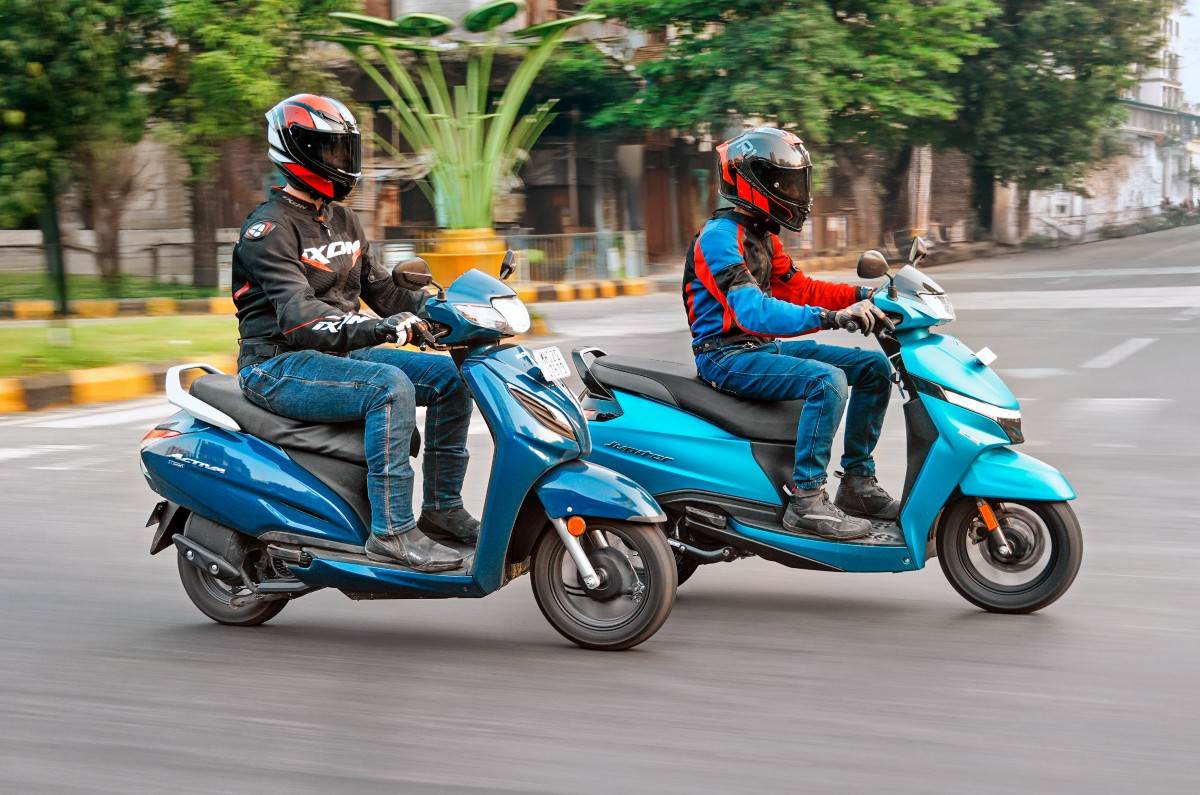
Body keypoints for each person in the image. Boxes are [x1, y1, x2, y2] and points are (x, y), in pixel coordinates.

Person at [231, 94, 476, 571]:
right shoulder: (268, 230)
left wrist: (447, 311)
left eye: (344, 150)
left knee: (454, 381)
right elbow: (302, 319)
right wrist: (383, 328)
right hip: (278, 364)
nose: (340, 162)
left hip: (338, 356)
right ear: (295, 150)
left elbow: (384, 292)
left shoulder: (343, 219)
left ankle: (443, 508)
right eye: (329, 150)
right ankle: (393, 532)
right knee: (390, 387)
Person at [683, 127, 898, 541]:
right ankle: (808, 499)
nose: (794, 191)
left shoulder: (762, 237)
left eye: (796, 182)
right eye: (783, 182)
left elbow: (800, 289)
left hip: (762, 348)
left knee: (871, 367)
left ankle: (856, 482)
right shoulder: (719, 240)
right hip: (724, 358)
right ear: (750, 181)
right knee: (827, 380)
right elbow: (753, 312)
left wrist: (866, 295)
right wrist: (833, 318)